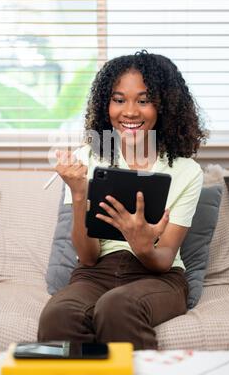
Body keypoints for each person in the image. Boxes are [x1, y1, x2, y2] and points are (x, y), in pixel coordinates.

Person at [38, 50, 208, 350]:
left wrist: (143, 246)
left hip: (159, 278)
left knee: (117, 307)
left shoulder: (187, 172)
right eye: (119, 99)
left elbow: (164, 258)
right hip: (95, 273)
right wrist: (79, 194)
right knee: (59, 314)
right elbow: (88, 257)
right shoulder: (86, 159)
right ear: (106, 104)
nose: (129, 112)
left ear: (164, 106)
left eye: (143, 100)